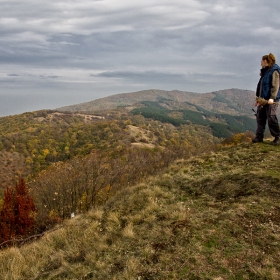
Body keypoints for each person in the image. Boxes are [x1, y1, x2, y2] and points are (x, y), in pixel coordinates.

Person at [253, 53, 280, 145]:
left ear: (265, 61)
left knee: (271, 118)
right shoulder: (265, 73)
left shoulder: (274, 71)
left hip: (271, 100)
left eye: (261, 61)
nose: (261, 63)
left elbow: (275, 85)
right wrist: (258, 99)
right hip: (263, 100)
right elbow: (261, 87)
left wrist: (272, 98)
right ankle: (259, 136)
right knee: (260, 118)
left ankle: (277, 137)